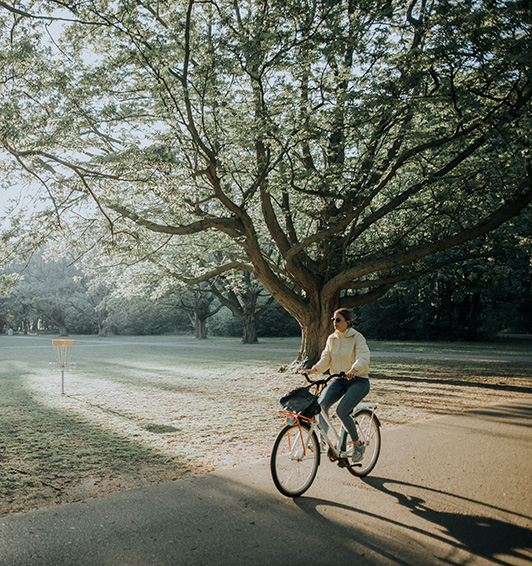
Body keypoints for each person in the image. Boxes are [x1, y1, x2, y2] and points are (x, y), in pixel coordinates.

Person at [306, 308, 370, 462]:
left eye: (338, 320)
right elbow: (326, 358)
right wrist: (315, 369)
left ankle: (357, 445)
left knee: (342, 411)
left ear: (348, 322)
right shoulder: (332, 338)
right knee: (321, 406)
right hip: (338, 379)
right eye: (333, 319)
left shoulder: (357, 337)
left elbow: (363, 357)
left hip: (358, 381)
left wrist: (354, 369)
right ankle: (323, 442)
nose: (334, 322)